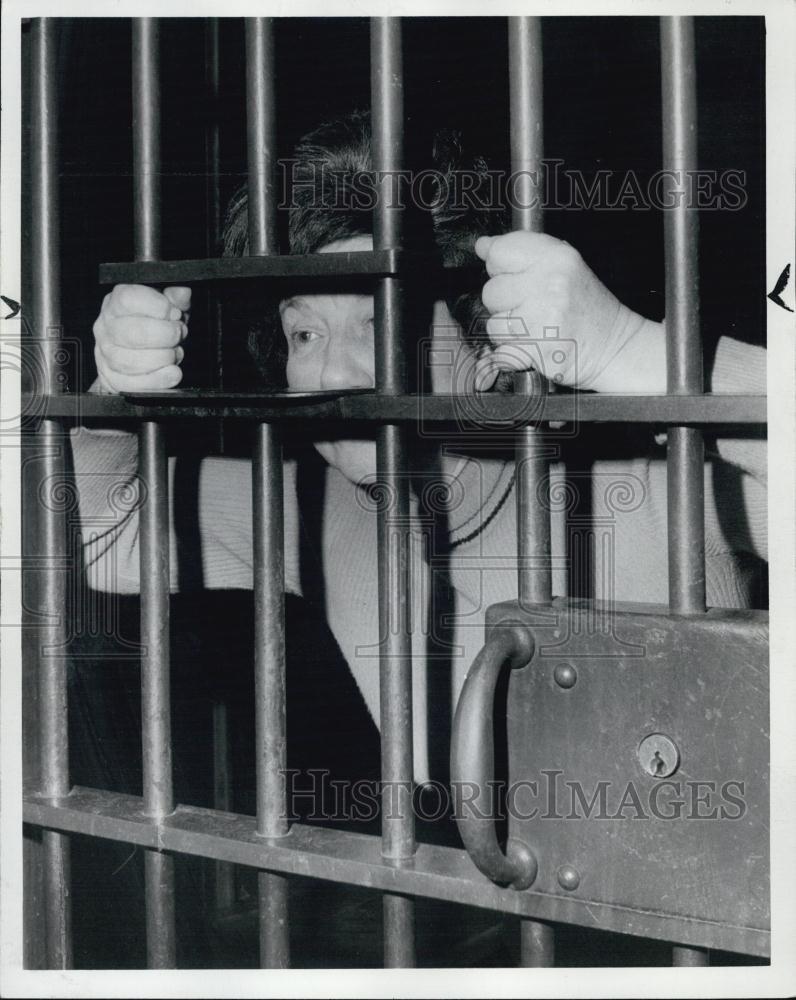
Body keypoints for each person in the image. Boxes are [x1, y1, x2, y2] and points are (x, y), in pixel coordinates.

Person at [73, 110, 767, 784]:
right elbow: (106, 538)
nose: (330, 375)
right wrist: (115, 398)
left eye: (378, 324)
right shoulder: (316, 511)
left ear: (490, 348)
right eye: (305, 334)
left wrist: (633, 350)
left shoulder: (654, 486)